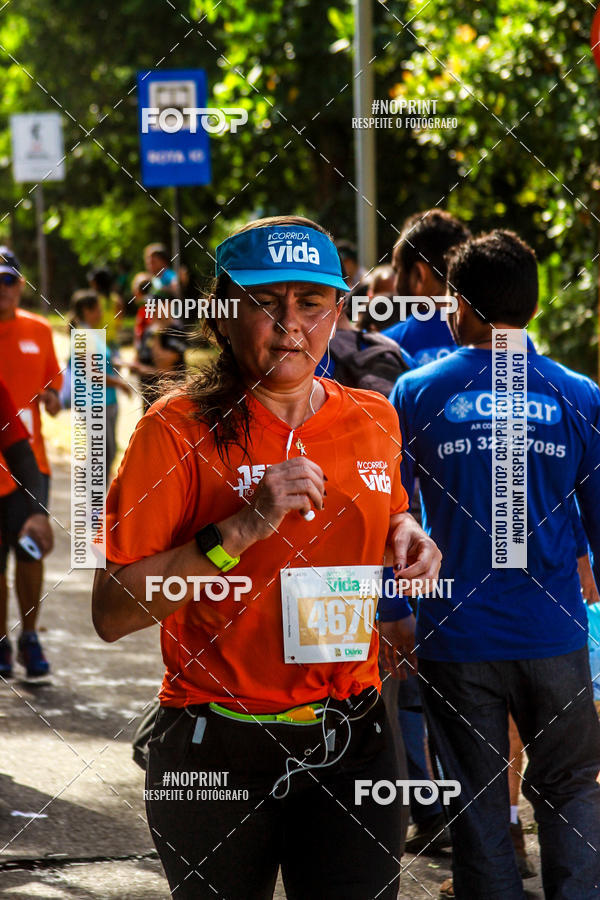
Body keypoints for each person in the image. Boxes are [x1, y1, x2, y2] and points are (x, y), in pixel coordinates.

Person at [92, 215, 442, 900]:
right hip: (217, 746)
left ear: (337, 312)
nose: (291, 324)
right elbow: (112, 613)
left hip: (353, 738)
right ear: (223, 317)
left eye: (311, 303)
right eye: (265, 302)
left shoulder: (375, 416)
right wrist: (238, 531)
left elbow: (387, 505)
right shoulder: (174, 433)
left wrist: (406, 533)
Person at [389, 229, 600, 899]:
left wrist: (394, 615)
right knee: (572, 793)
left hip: (458, 639)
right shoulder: (580, 396)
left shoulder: (417, 392)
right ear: (532, 307)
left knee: (480, 813)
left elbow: (389, 518)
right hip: (556, 637)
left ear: (466, 307)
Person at [0, 247, 61, 678]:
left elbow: (54, 391)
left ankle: (30, 636)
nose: (0, 289)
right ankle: (1, 641)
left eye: (6, 280)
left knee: (29, 551)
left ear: (19, 285)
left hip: (29, 466)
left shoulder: (39, 331)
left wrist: (58, 399)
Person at [0, 377, 53, 678]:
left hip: (14, 488)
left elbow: (20, 454)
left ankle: (26, 638)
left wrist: (39, 513)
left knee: (27, 553)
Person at [383, 210, 472, 365]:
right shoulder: (508, 343)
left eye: (398, 271)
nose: (395, 284)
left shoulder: (385, 347)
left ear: (419, 276)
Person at [69, 291, 132, 483]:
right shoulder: (82, 335)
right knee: (103, 454)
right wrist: (120, 383)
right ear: (87, 311)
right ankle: (92, 503)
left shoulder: (92, 333)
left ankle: (96, 503)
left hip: (106, 402)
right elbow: (92, 373)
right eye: (97, 310)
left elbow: (105, 361)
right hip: (95, 404)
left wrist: (131, 366)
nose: (100, 314)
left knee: (107, 453)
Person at [88, 267, 123, 351]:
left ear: (95, 283)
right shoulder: (116, 300)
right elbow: (119, 323)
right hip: (112, 342)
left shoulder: (93, 300)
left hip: (97, 342)